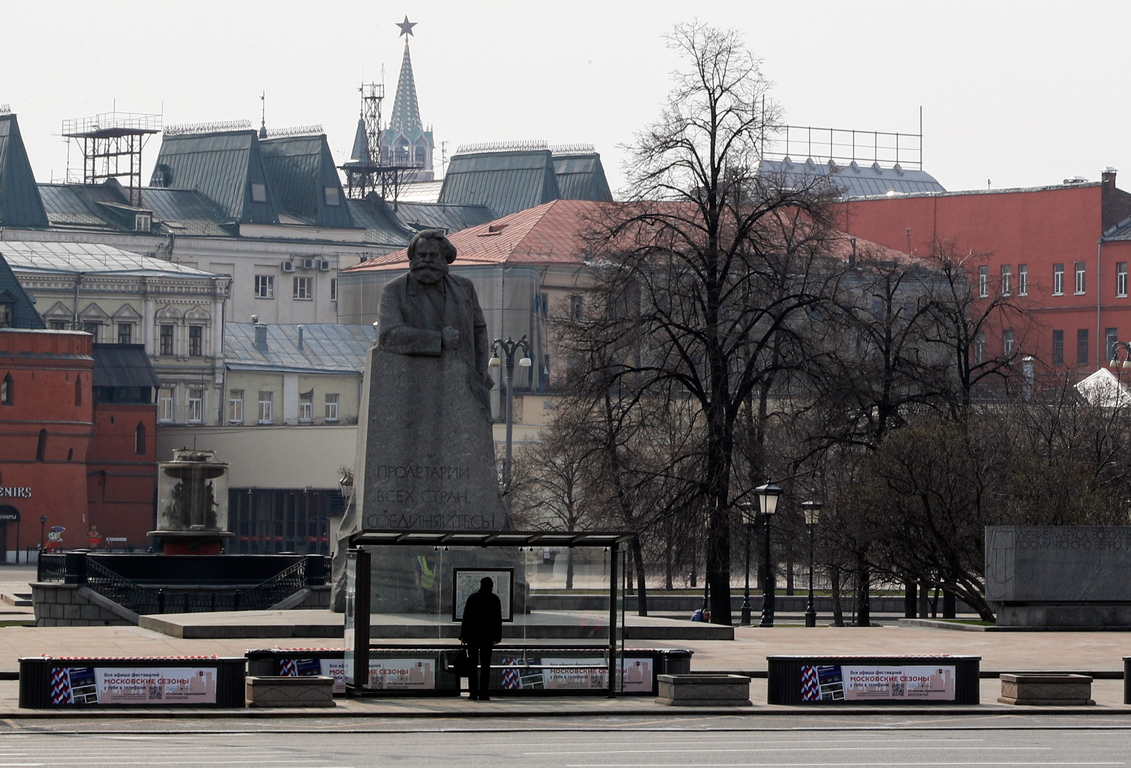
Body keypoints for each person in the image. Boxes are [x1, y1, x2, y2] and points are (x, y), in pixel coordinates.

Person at [377, 229, 492, 413]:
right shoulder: (394, 290)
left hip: (463, 383)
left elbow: (479, 331)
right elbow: (388, 335)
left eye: (433, 255)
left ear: (445, 258)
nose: (427, 260)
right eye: (421, 255)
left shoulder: (464, 288)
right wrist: (438, 339)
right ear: (413, 258)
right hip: (414, 386)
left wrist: (481, 372)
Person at [459, 576, 503, 701]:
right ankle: (484, 693)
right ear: (491, 586)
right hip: (487, 638)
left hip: (473, 637)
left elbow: (466, 618)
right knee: (485, 666)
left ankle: (473, 693)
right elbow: (497, 620)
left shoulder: (473, 598)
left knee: (472, 666)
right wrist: (497, 637)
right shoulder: (494, 599)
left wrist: (463, 636)